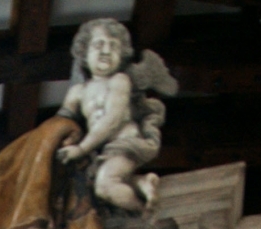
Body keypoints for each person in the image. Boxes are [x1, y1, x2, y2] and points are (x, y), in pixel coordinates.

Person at [56, 20, 176, 213]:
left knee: (104, 186)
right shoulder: (77, 91)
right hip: (100, 151)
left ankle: (143, 212)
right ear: (84, 54)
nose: (106, 51)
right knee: (101, 178)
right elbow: (61, 122)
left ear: (122, 56)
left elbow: (113, 119)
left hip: (124, 144)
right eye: (98, 45)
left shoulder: (119, 81)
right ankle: (141, 183)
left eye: (113, 46)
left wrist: (81, 148)